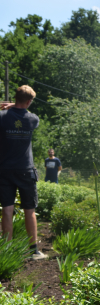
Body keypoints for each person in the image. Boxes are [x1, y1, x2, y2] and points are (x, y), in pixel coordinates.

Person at [0, 85, 47, 259]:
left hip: (4, 169)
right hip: (25, 170)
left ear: (15, 97)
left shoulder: (2, 117)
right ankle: (33, 250)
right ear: (29, 101)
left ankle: (7, 250)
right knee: (29, 209)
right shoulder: (32, 119)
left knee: (7, 209)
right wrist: (15, 105)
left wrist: (6, 106)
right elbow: (24, 109)